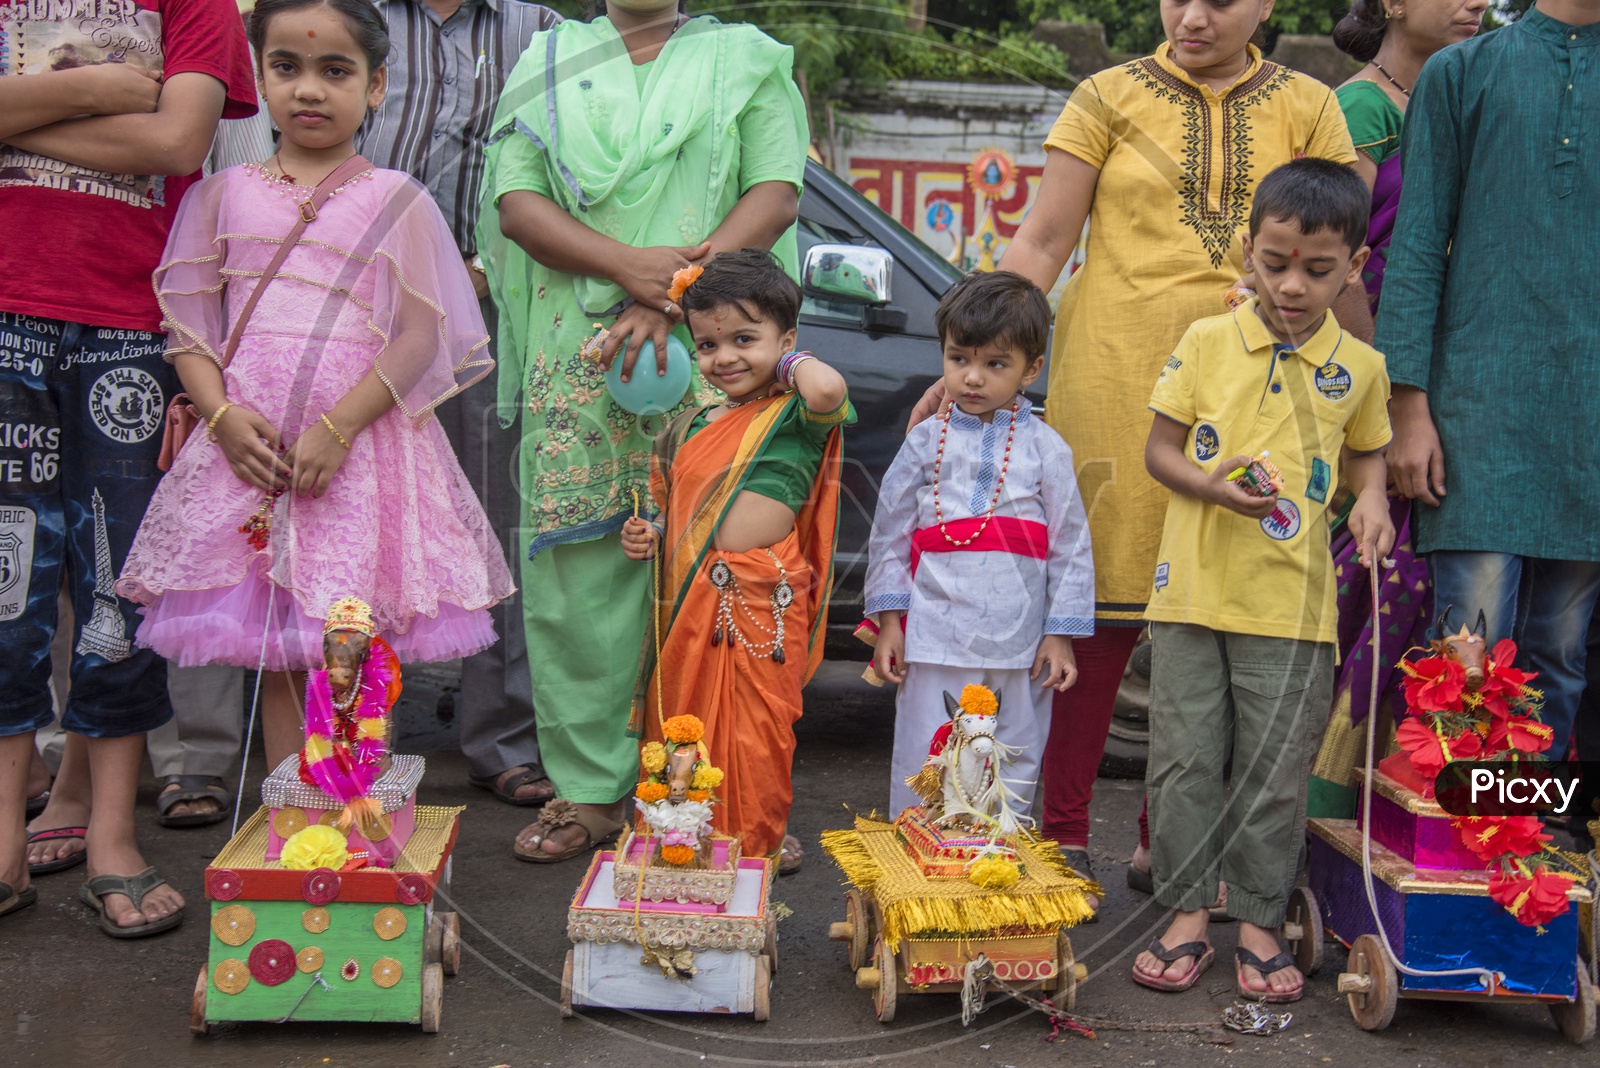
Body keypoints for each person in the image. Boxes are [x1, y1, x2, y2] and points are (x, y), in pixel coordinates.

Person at [910, 0, 1358, 899]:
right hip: (1113, 378)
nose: (1192, 16)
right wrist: (964, 360)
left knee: (1216, 623)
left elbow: (1335, 254)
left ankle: (1172, 844)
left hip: (1254, 389)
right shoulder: (1106, 95)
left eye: (1220, 1)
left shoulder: (1310, 104)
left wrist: (1357, 401)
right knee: (1095, 616)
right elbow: (1043, 239)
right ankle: (1064, 833)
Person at [115, 0, 516, 789]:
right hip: (250, 449)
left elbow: (417, 337)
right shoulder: (221, 195)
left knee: (348, 635)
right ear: (259, 74)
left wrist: (339, 427)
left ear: (376, 87)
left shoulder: (399, 198)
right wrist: (223, 418)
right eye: (287, 68)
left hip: (359, 449)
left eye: (336, 72)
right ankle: (292, 827)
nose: (309, 90)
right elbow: (190, 331)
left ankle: (348, 816)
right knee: (280, 647)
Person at [478, 1, 808, 864]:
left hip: (714, 354)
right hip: (578, 354)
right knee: (581, 573)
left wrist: (674, 294)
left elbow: (773, 195)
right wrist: (628, 269)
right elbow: (515, 203)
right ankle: (587, 791)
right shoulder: (549, 60)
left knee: (714, 569)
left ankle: (723, 792)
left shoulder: (748, 59)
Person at [0, 0, 258, 930]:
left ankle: (112, 833)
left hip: (131, 319)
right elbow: (148, 126)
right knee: (6, 578)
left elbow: (179, 142)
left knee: (121, 582)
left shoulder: (198, 6)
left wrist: (28, 109)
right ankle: (3, 839)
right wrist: (104, 91)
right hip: (5, 305)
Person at [1134, 159, 1394, 1001]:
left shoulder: (1360, 366)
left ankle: (1256, 922)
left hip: (1293, 609)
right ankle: (1182, 916)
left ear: (1353, 266)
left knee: (1273, 769)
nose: (1292, 284)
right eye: (1274, 262)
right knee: (1182, 760)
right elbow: (1160, 452)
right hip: (1191, 597)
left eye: (1318, 271)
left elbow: (1367, 457)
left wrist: (1373, 502)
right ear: (1248, 251)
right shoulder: (1207, 340)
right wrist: (1210, 488)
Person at [1377, 0, 1600, 766]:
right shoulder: (1462, 72)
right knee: (1467, 654)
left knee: (1561, 659)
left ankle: (1523, 866)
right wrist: (1410, 406)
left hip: (1589, 417)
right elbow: (1413, 247)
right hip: (1478, 409)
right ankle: (1459, 863)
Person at [360, 0, 563, 808]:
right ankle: (355, 737)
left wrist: (471, 271)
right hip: (357, 316)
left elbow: (556, 173)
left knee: (498, 528)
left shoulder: (544, 32)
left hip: (492, 317)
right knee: (360, 524)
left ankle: (503, 738)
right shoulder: (352, 15)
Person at [1305, 0, 1484, 820]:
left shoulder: (1476, 88)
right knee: (1357, 604)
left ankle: (1422, 824)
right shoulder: (1360, 110)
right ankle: (1316, 826)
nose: (1474, 0)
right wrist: (1386, 398)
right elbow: (1339, 262)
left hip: (1462, 379)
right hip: (1373, 385)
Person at [620, 249, 851, 865]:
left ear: (788, 339)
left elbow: (828, 387)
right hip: (692, 601)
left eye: (745, 338)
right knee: (682, 736)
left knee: (756, 738)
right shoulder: (691, 423)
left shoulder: (796, 416)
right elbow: (675, 514)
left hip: (761, 603)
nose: (725, 358)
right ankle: (679, 850)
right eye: (707, 345)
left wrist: (788, 364)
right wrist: (648, 535)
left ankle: (752, 850)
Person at [866, 271, 1093, 821]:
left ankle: (994, 882)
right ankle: (920, 890)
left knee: (1009, 765)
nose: (972, 377)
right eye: (958, 359)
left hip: (1019, 647)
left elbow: (1071, 544)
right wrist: (891, 623)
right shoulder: (924, 440)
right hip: (934, 634)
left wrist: (1060, 635)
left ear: (1031, 369)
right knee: (927, 759)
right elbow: (889, 534)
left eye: (995, 363)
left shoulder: (1047, 448)